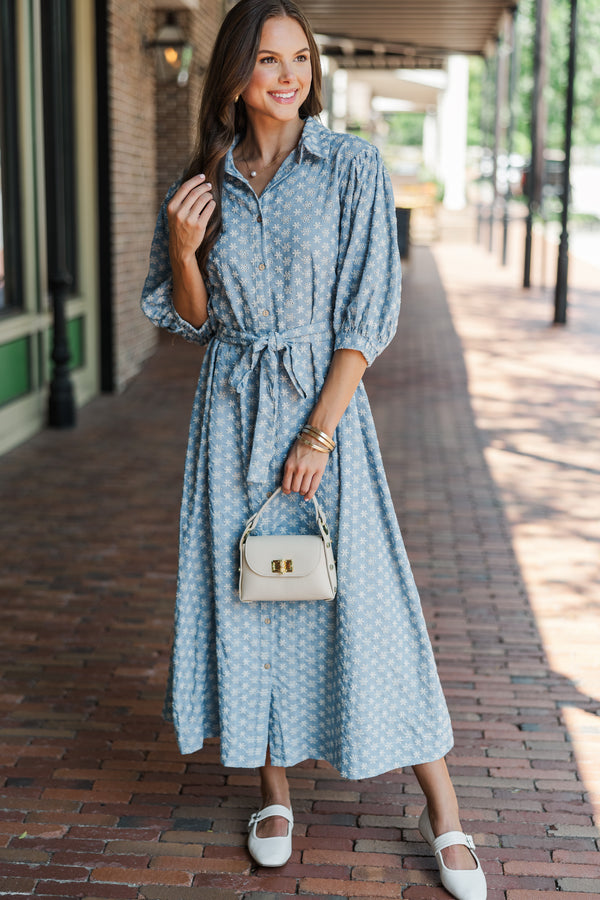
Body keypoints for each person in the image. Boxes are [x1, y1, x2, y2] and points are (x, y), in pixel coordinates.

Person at [141, 1, 487, 897]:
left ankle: (443, 810)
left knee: (366, 597)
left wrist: (321, 432)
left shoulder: (352, 167)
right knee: (251, 592)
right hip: (228, 414)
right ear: (235, 76)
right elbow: (190, 320)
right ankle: (273, 791)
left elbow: (369, 315)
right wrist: (184, 247)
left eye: (300, 58)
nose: (288, 76)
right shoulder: (204, 179)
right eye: (267, 59)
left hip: (322, 415)